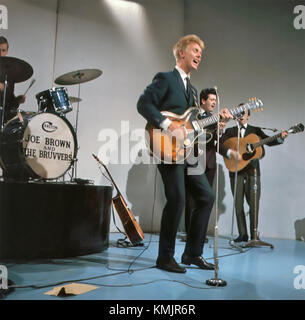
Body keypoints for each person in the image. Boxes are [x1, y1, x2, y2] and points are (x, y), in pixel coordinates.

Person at [137, 34, 232, 273]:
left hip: (188, 153)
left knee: (207, 196)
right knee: (178, 199)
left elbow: (194, 125)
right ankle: (165, 257)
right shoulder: (166, 79)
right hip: (167, 148)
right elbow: (143, 104)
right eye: (195, 50)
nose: (200, 54)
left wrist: (218, 121)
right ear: (182, 53)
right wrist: (170, 126)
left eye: (201, 51)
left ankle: (192, 254)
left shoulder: (193, 90)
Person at [221, 109, 288, 242]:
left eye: (244, 114)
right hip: (235, 169)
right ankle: (242, 234)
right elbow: (222, 146)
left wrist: (280, 138)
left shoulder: (255, 130)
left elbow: (269, 141)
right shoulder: (230, 132)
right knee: (238, 203)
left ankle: (254, 235)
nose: (241, 117)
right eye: (238, 114)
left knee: (254, 202)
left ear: (248, 116)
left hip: (253, 170)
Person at [184, 88, 230, 241]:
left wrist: (221, 129)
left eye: (215, 101)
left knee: (205, 199)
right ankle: (190, 233)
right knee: (191, 199)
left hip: (209, 163)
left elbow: (217, 141)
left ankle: (200, 234)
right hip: (193, 161)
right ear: (203, 101)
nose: (214, 103)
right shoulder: (191, 117)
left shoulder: (216, 119)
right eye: (211, 100)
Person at [0, 36, 26, 124]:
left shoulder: (8, 73)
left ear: (6, 51)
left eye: (3, 50)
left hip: (4, 118)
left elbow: (9, 103)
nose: (0, 53)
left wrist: (17, 100)